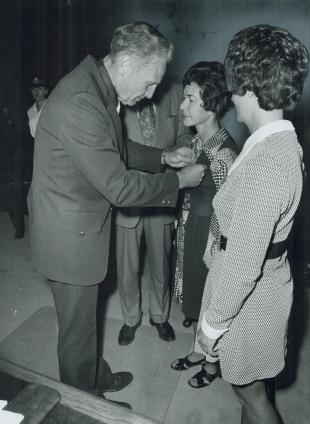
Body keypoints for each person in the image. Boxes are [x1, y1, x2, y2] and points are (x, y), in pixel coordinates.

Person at [27, 22, 205, 402]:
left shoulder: (96, 82)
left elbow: (114, 146)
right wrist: (178, 182)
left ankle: (96, 378)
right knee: (77, 336)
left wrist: (162, 156)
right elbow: (120, 186)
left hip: (76, 226)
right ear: (125, 63)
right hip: (67, 239)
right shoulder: (82, 101)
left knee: (86, 325)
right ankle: (83, 406)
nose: (152, 93)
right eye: (150, 83)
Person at [193, 25, 309, 424]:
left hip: (249, 303)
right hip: (261, 292)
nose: (230, 97)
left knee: (253, 399)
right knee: (254, 394)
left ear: (248, 85)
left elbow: (242, 265)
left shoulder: (265, 162)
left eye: (233, 85)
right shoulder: (275, 145)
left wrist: (211, 325)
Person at [170, 62, 237, 383]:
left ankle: (211, 366)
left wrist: (213, 251)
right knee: (197, 298)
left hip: (208, 237)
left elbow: (228, 215)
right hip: (191, 227)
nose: (183, 106)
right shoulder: (199, 141)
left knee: (211, 301)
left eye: (191, 99)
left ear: (211, 105)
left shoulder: (224, 154)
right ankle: (199, 351)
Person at [116, 82, 193, 346]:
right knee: (128, 264)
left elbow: (184, 133)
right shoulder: (120, 92)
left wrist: (180, 149)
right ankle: (129, 319)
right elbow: (115, 145)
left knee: (161, 260)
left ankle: (159, 316)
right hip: (129, 192)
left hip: (164, 191)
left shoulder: (174, 93)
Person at [0, 106, 25, 239]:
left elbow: (13, 143)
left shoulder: (7, 121)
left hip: (7, 164)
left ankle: (19, 228)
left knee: (11, 197)